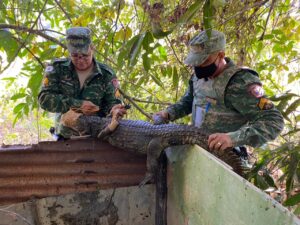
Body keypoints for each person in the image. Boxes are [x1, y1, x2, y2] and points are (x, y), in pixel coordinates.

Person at [153, 29, 284, 157]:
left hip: (225, 157)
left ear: (220, 55)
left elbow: (273, 121)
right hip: (196, 149)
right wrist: (169, 113)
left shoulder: (241, 82)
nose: (199, 66)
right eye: (196, 61)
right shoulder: (199, 74)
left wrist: (232, 138)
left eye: (204, 61)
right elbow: (189, 100)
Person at [38, 27, 126, 140]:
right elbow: (44, 99)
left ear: (92, 49)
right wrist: (78, 104)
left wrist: (115, 110)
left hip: (97, 136)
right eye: (75, 56)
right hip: (65, 136)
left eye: (85, 55)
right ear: (69, 52)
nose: (80, 60)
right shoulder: (57, 69)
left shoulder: (106, 74)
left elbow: (113, 102)